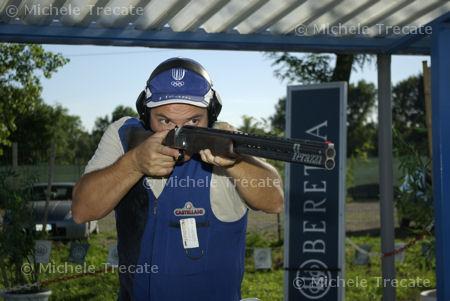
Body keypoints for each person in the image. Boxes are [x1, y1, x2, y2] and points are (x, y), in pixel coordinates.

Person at [72, 57, 284, 301]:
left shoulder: (224, 143)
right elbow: (82, 210)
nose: (179, 134)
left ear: (211, 115)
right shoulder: (124, 137)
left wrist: (236, 163)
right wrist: (133, 163)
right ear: (145, 114)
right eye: (165, 121)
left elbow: (274, 200)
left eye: (193, 121)